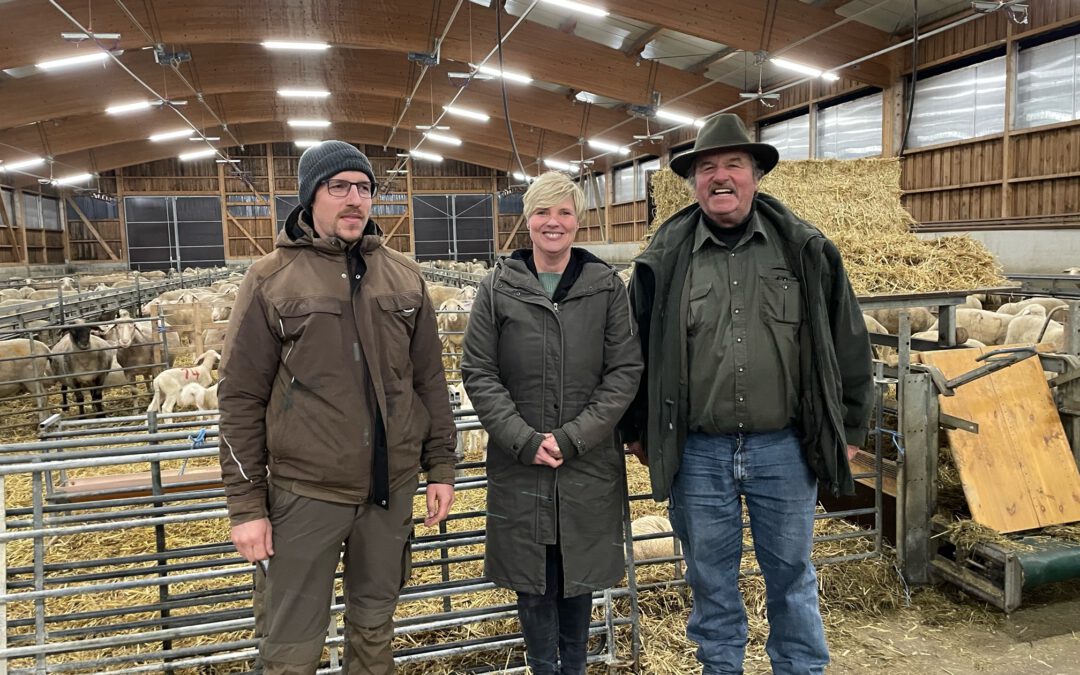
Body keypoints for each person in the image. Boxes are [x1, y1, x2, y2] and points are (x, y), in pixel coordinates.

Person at [620, 114, 873, 675]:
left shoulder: (805, 249)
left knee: (791, 577)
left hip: (783, 448)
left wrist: (850, 431)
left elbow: (848, 343)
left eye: (733, 164)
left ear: (756, 175)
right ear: (692, 182)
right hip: (699, 453)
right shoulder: (665, 260)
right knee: (710, 581)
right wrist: (636, 430)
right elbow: (634, 349)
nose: (720, 176)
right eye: (707, 167)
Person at [218, 140, 457, 675]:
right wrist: (247, 506)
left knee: (374, 631)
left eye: (365, 188)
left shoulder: (403, 276)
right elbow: (239, 398)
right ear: (311, 197)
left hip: (389, 492)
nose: (355, 199)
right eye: (339, 187)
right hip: (305, 494)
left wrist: (440, 467)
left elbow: (429, 382)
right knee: (290, 646)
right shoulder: (271, 279)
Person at [461, 171, 643, 675]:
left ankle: (576, 666)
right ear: (528, 219)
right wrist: (522, 438)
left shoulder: (606, 287)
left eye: (564, 212)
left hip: (584, 461)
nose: (553, 222)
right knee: (533, 575)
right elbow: (478, 370)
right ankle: (543, 666)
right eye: (543, 212)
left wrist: (574, 438)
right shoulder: (498, 287)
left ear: (578, 222)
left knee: (576, 572)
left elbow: (624, 370)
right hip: (522, 462)